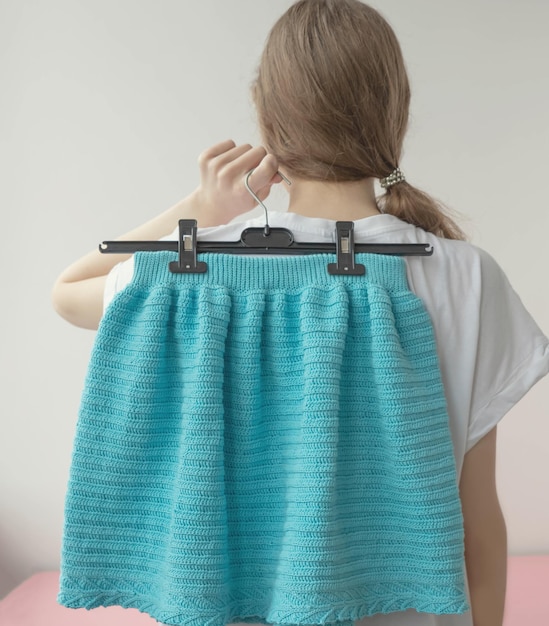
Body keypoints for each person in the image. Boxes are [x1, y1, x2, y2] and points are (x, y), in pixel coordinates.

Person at [51, 1, 549, 625]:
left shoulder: (178, 280)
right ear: (395, 113)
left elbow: (69, 289)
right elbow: (480, 520)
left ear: (267, 115)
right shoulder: (468, 277)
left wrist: (201, 211)